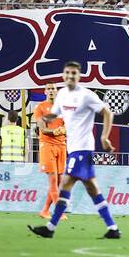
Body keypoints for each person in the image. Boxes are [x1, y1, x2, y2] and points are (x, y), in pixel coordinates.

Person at [27, 62, 120, 240]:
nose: (70, 76)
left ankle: (50, 227)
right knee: (92, 189)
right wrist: (41, 119)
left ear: (79, 76)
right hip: (74, 149)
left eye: (74, 73)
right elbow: (54, 114)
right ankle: (113, 228)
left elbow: (107, 112)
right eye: (67, 73)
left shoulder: (86, 95)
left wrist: (104, 137)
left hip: (83, 149)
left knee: (65, 184)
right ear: (63, 75)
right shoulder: (62, 94)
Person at [33, 84, 67, 219]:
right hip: (47, 145)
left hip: (62, 146)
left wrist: (65, 129)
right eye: (49, 88)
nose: (51, 91)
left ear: (57, 91)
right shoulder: (40, 107)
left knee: (58, 182)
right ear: (45, 91)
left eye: (53, 88)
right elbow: (42, 128)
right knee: (53, 180)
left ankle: (45, 211)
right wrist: (55, 131)